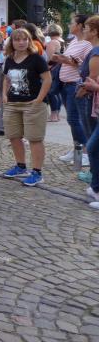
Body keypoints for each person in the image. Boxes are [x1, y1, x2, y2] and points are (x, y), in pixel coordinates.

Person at [1, 28, 51, 186]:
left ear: (29, 41)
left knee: (35, 139)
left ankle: (37, 172)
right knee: (14, 136)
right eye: (17, 39)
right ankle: (20, 166)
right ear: (12, 42)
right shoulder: (9, 59)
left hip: (33, 104)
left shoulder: (36, 59)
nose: (21, 42)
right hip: (13, 103)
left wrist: (39, 99)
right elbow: (6, 79)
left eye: (25, 39)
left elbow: (48, 79)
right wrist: (4, 95)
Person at [52, 14, 92, 169]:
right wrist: (61, 59)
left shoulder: (87, 44)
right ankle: (77, 148)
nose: (69, 25)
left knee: (76, 119)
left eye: (72, 22)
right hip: (65, 84)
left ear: (80, 25)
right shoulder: (74, 41)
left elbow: (86, 66)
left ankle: (85, 151)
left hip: (75, 84)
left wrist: (67, 61)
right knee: (72, 120)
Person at [78, 16, 99, 207]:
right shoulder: (94, 51)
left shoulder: (96, 52)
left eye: (86, 27)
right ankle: (95, 187)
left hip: (92, 101)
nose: (83, 30)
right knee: (93, 145)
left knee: (93, 146)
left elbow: (93, 78)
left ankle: (96, 186)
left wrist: (84, 90)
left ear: (94, 31)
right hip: (94, 103)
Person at [45, 24, 65, 122]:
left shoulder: (52, 42)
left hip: (53, 68)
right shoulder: (62, 41)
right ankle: (57, 114)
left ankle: (53, 114)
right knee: (57, 91)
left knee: (51, 91)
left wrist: (46, 67)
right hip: (60, 67)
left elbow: (50, 58)